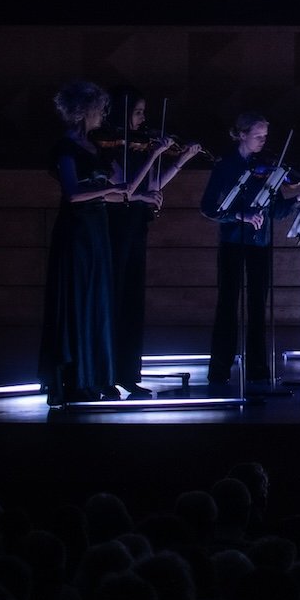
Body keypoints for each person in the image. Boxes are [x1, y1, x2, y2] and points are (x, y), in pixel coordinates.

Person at [39, 81, 159, 406]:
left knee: (99, 304)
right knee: (79, 302)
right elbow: (73, 193)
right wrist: (108, 191)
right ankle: (76, 379)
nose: (103, 115)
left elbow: (127, 187)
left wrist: (158, 156)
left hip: (98, 230)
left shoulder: (96, 146)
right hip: (76, 232)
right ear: (85, 111)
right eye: (99, 109)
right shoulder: (66, 148)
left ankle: (96, 377)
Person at [196, 112, 300, 391]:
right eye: (258, 135)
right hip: (234, 243)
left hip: (260, 244)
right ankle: (219, 371)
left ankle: (258, 370)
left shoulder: (266, 168)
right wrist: (241, 216)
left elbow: (276, 211)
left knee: (258, 307)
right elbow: (208, 207)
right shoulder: (225, 166)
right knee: (227, 306)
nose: (264, 141)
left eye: (265, 136)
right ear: (241, 134)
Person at [104, 86, 200, 394]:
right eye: (138, 112)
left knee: (133, 303)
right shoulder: (111, 147)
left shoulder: (138, 147)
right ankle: (107, 374)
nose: (143, 118)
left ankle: (128, 374)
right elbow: (126, 188)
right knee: (115, 302)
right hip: (115, 229)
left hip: (136, 228)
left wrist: (181, 159)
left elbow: (152, 184)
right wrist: (155, 154)